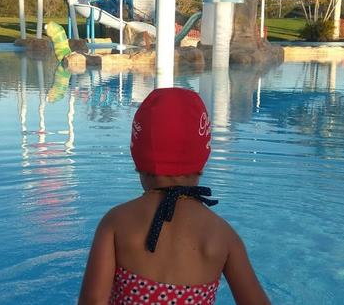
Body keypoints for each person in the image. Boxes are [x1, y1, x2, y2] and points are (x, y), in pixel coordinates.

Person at [79, 87, 270, 305]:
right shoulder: (223, 236)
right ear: (202, 160)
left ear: (139, 161)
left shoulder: (116, 222)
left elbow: (92, 301)